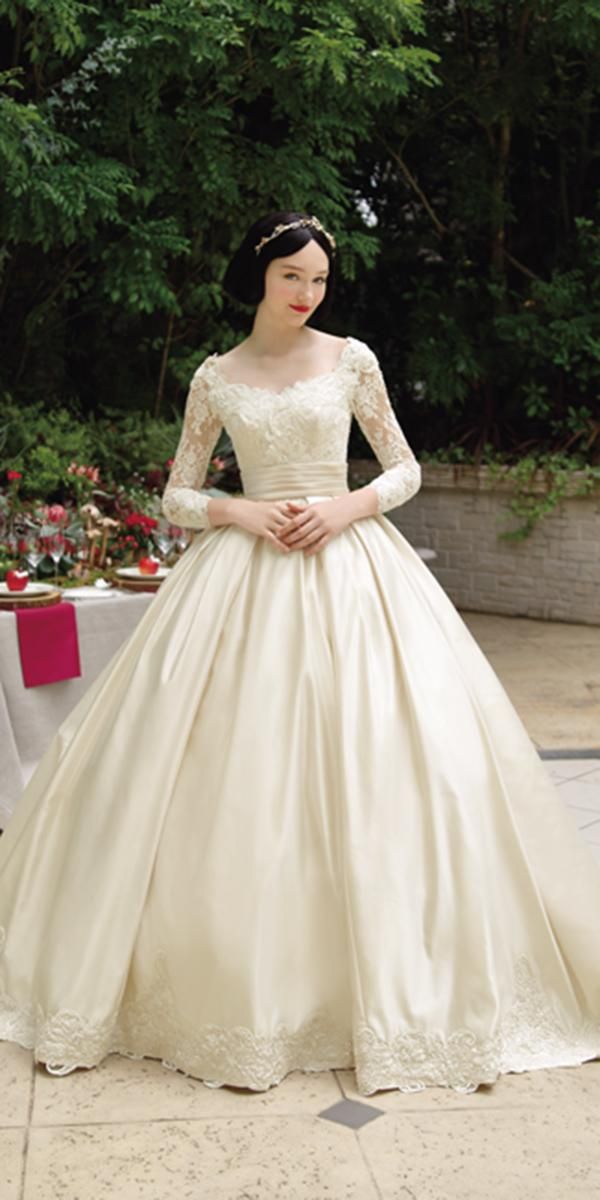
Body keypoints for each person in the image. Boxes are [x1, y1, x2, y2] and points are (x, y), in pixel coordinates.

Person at [0, 210, 599, 1098]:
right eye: (294, 278)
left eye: (320, 280)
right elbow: (177, 492)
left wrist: (343, 507)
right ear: (261, 276)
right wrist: (238, 512)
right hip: (241, 569)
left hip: (351, 563)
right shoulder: (216, 376)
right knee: (226, 773)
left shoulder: (351, 358)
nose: (308, 294)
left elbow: (403, 469)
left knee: (400, 759)